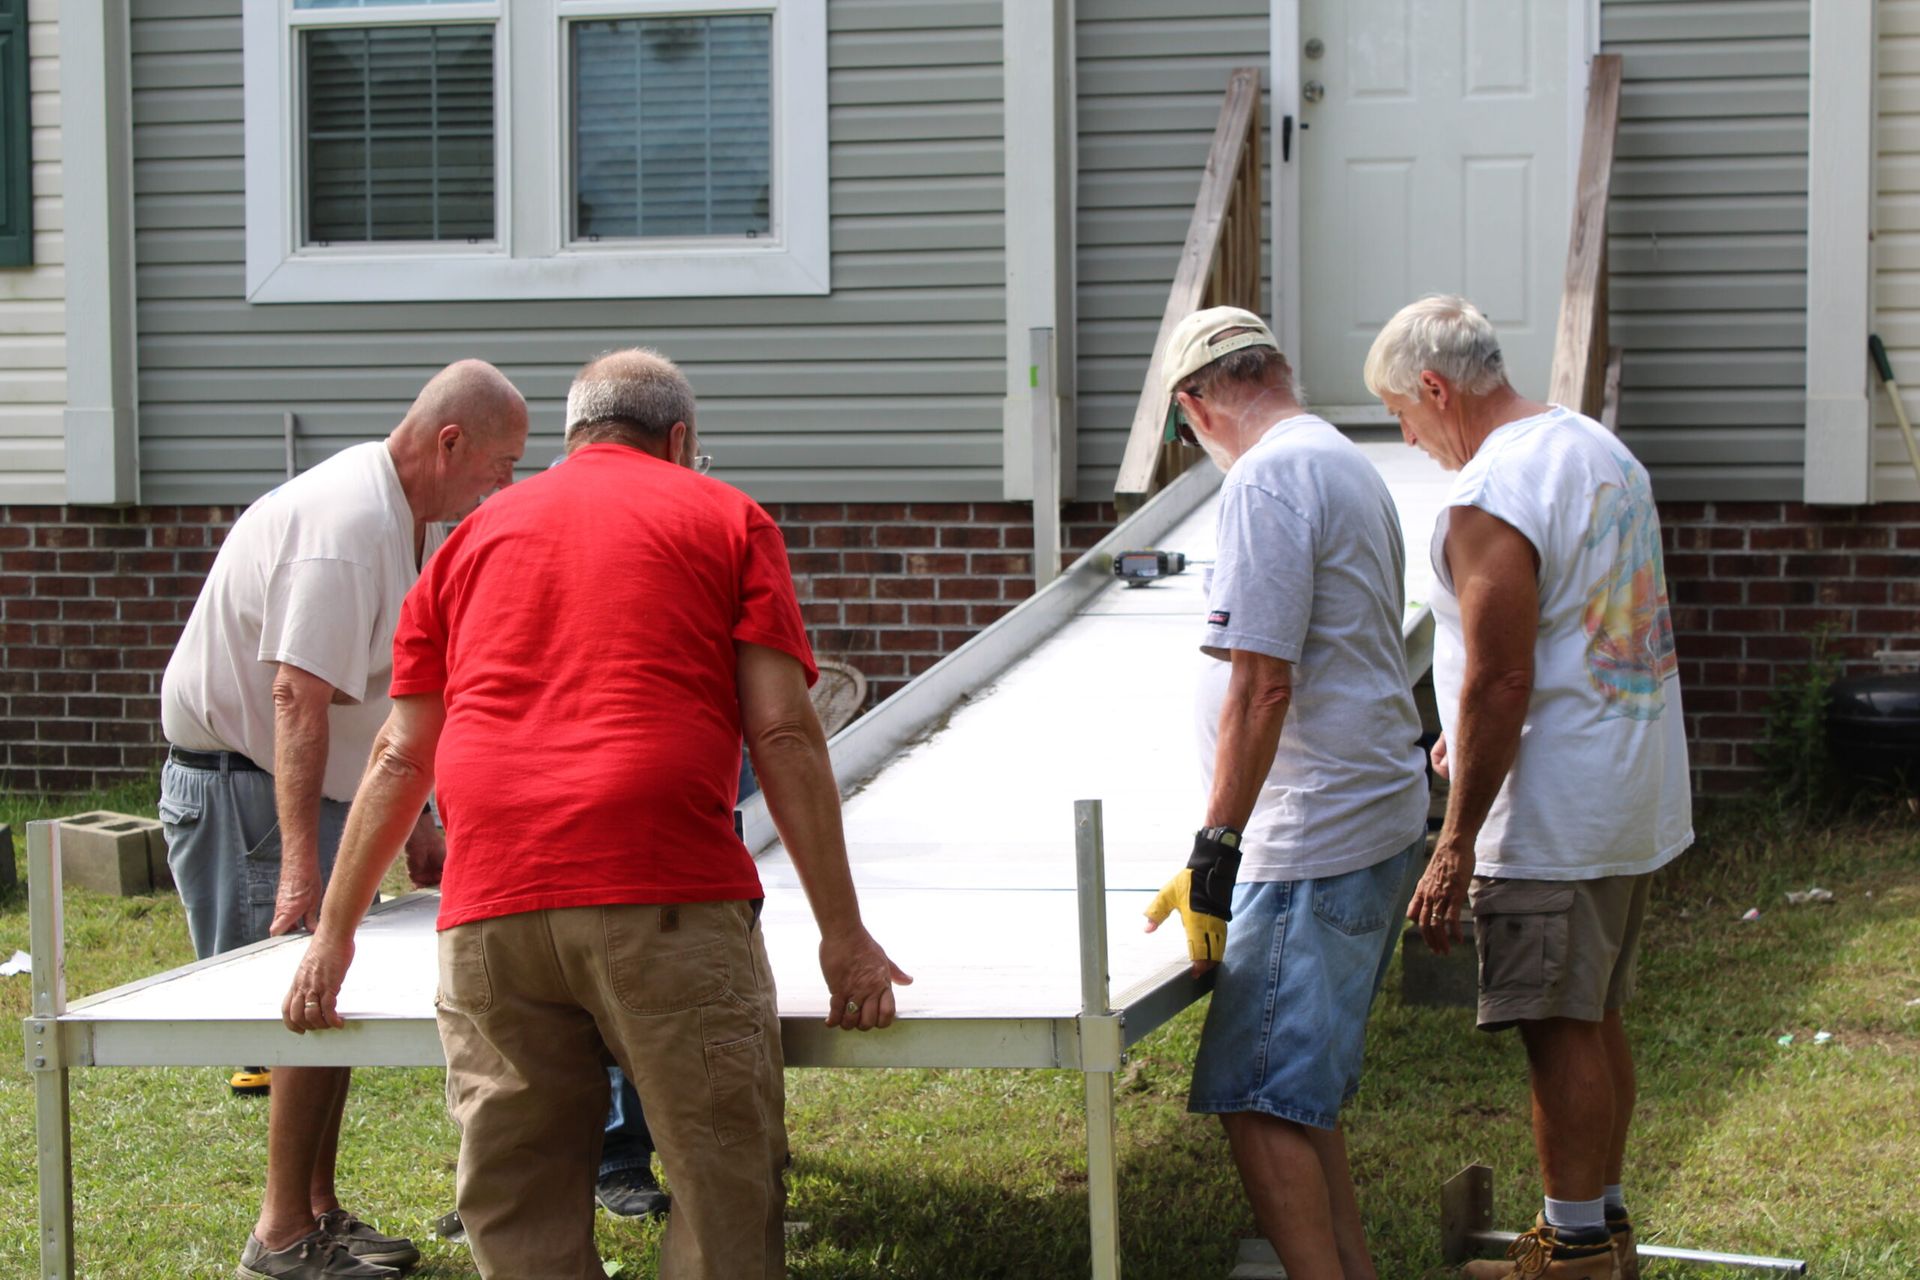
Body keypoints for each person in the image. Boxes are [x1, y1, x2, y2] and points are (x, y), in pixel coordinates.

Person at [281, 347, 911, 1280]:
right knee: (719, 1181)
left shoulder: (468, 543)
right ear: (682, 440)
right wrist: (843, 935)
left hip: (490, 907)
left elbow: (400, 751)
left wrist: (333, 936)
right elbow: (781, 733)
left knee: (517, 1196)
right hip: (664, 894)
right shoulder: (727, 516)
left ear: (571, 438)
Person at [158, 361, 530, 1279]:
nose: (505, 486)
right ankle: (281, 1235)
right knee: (303, 1004)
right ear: (449, 444)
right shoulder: (348, 526)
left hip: (311, 792)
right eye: (500, 463)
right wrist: (300, 870)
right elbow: (298, 697)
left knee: (333, 1005)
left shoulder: (402, 517)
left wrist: (417, 824)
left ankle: (317, 1215)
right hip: (251, 789)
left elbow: (386, 700)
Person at [1366, 295, 1691, 1280]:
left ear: (1434, 387)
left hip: (1554, 808)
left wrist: (1455, 838)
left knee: (1557, 1029)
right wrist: (1462, 745)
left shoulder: (1490, 492)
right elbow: (1561, 636)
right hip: (1629, 781)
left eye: (1402, 415)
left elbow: (1500, 677)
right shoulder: (1598, 449)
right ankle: (1609, 1226)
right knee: (1593, 1014)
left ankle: (1572, 1251)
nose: (1408, 438)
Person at [1142, 306, 1428, 1280]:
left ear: (1195, 406)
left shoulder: (1267, 478)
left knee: (1255, 1094)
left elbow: (1264, 683)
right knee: (1297, 1090)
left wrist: (1213, 846)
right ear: (1277, 369)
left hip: (1316, 829)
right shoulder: (1340, 457)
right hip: (1365, 810)